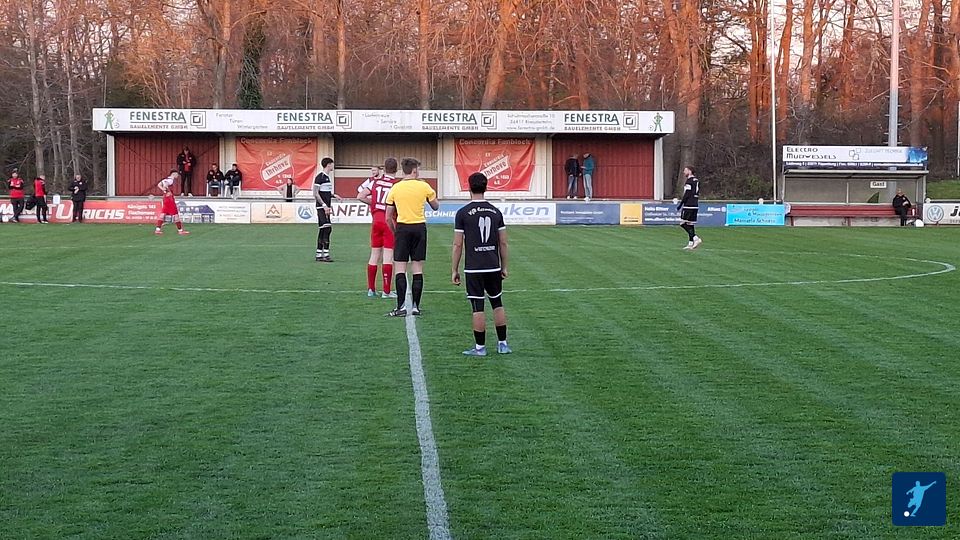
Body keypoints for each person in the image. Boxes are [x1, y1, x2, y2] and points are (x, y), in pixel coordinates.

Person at [452, 172, 512, 356]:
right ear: (486, 187)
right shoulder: (496, 212)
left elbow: (457, 244)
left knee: (477, 306)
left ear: (469, 187)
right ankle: (503, 344)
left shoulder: (462, 213)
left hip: (474, 268)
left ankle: (480, 348)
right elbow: (503, 242)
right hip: (493, 265)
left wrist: (454, 269)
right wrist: (504, 266)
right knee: (497, 303)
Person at [385, 157, 440, 317]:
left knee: (400, 268)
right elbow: (436, 206)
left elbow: (388, 217)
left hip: (402, 228)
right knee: (417, 268)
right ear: (415, 170)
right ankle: (416, 307)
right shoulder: (424, 186)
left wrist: (395, 231)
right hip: (419, 228)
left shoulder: (396, 188)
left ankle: (401, 307)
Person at [358, 160, 398, 298]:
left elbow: (360, 196)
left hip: (376, 221)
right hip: (388, 221)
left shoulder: (374, 182)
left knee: (374, 255)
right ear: (396, 170)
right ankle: (386, 291)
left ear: (384, 169)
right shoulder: (396, 185)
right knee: (388, 256)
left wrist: (375, 203)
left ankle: (371, 289)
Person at [312, 157, 342, 262]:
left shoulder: (327, 178)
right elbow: (315, 193)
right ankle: (325, 254)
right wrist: (324, 205)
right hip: (322, 207)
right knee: (327, 228)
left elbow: (325, 192)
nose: (333, 166)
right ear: (329, 165)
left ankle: (320, 254)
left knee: (323, 229)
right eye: (332, 164)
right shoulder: (320, 177)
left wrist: (333, 195)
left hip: (326, 207)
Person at [155, 170, 189, 235]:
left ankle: (157, 229)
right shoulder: (170, 180)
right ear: (173, 174)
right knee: (175, 214)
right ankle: (180, 230)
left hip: (165, 198)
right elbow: (166, 185)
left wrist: (164, 190)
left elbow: (159, 185)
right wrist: (167, 191)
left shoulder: (166, 179)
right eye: (177, 174)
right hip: (170, 199)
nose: (178, 175)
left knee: (163, 213)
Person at [677, 166, 702, 250]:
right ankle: (690, 243)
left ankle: (695, 238)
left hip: (689, 205)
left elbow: (687, 194)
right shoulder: (696, 180)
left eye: (685, 170)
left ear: (690, 171)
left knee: (682, 223)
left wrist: (681, 204)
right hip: (695, 205)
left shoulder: (689, 181)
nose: (684, 172)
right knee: (690, 224)